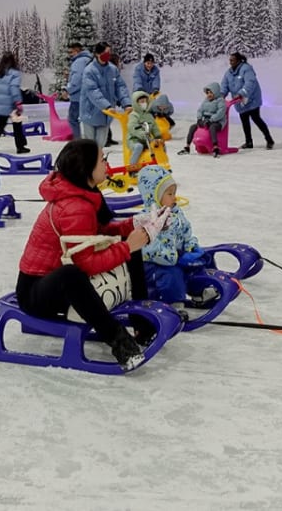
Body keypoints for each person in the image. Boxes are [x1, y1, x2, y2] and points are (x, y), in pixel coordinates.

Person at [15, 139, 170, 373]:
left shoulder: (85, 194)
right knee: (73, 274)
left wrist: (134, 225)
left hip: (54, 280)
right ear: (87, 168)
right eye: (102, 159)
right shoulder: (74, 206)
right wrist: (127, 246)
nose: (107, 164)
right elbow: (86, 264)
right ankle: (118, 341)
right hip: (36, 291)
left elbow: (97, 232)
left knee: (131, 250)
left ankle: (141, 326)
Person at [136, 165, 209, 317]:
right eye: (169, 194)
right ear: (154, 196)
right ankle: (174, 304)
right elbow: (150, 249)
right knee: (173, 273)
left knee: (197, 263)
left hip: (175, 255)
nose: (174, 197)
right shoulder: (146, 220)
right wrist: (175, 257)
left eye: (174, 193)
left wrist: (191, 246)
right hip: (154, 264)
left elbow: (187, 232)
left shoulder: (176, 213)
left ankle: (200, 292)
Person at [79, 45, 131, 146]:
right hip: (90, 113)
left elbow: (120, 87)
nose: (108, 55)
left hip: (106, 114)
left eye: (109, 53)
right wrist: (106, 106)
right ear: (97, 54)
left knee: (100, 145)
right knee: (90, 146)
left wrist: (126, 103)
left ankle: (98, 160)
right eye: (105, 53)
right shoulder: (89, 71)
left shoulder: (112, 69)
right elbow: (93, 91)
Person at [221, 52, 274, 150]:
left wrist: (242, 93)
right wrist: (222, 94)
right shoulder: (228, 73)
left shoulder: (246, 69)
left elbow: (250, 82)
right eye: (230, 60)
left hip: (252, 99)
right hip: (240, 101)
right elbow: (225, 85)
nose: (230, 62)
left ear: (238, 60)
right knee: (244, 121)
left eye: (232, 60)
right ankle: (248, 142)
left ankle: (269, 140)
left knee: (256, 119)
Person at [0, 52, 30, 153]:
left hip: (0, 102)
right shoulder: (14, 74)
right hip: (11, 103)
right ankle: (20, 146)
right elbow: (14, 89)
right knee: (17, 124)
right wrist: (18, 102)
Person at [177, 83, 227, 157]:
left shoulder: (220, 101)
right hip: (206, 120)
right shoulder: (206, 100)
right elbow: (200, 110)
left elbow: (221, 113)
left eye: (211, 92)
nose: (209, 95)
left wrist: (211, 119)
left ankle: (215, 147)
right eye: (207, 93)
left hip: (217, 121)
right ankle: (187, 147)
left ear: (215, 92)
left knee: (212, 127)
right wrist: (199, 118)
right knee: (193, 127)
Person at [64, 42, 96, 140]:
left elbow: (77, 79)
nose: (69, 54)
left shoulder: (78, 62)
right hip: (89, 95)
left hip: (78, 96)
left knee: (73, 119)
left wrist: (68, 89)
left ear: (77, 51)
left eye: (71, 52)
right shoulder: (89, 60)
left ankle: (77, 140)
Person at [126, 91, 162, 171]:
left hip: (147, 139)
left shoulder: (149, 115)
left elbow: (154, 126)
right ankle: (132, 167)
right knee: (139, 147)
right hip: (134, 139)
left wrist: (158, 136)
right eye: (142, 102)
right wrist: (142, 134)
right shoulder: (134, 115)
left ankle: (161, 163)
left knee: (158, 145)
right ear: (136, 103)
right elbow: (132, 127)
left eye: (145, 101)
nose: (144, 103)